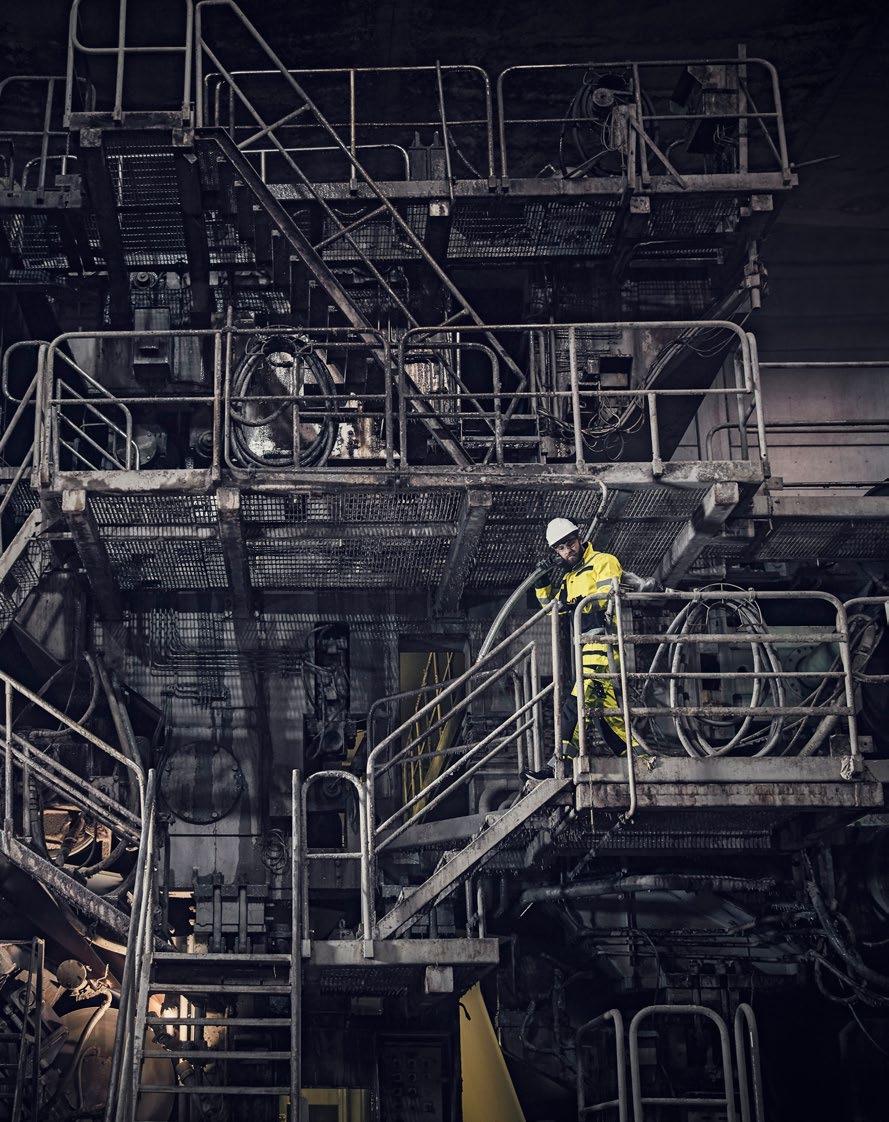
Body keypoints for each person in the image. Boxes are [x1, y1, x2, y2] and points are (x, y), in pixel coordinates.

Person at [526, 517, 630, 778]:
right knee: (608, 719)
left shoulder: (604, 561)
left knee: (576, 702)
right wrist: (542, 581)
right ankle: (641, 760)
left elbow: (606, 599)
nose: (568, 550)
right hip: (583, 649)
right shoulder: (569, 578)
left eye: (570, 543)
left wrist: (579, 603)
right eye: (561, 548)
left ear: (579, 538)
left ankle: (557, 765)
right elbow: (551, 609)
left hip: (603, 645)